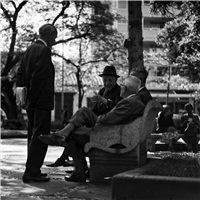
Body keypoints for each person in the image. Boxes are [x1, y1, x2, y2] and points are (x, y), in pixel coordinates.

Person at [39, 75, 145, 182]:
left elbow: (108, 119)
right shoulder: (135, 101)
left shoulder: (128, 102)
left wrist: (98, 118)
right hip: (115, 131)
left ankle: (79, 170)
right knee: (83, 113)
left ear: (125, 88)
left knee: (74, 130)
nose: (120, 87)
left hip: (108, 133)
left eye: (122, 85)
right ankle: (64, 135)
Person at [46, 65, 122, 168]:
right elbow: (95, 110)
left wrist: (104, 101)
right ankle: (75, 164)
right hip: (98, 121)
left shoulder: (119, 91)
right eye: (105, 80)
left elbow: (119, 108)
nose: (107, 83)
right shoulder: (102, 91)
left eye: (110, 80)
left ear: (115, 80)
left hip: (107, 123)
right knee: (74, 129)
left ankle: (63, 135)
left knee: (83, 111)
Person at [15, 24, 58, 183]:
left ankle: (32, 170)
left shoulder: (29, 50)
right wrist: (32, 98)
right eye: (54, 36)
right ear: (48, 34)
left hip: (31, 102)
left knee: (32, 137)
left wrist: (24, 99)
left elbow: (20, 75)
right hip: (40, 102)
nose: (55, 40)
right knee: (40, 138)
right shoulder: (44, 51)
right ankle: (32, 172)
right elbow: (38, 77)